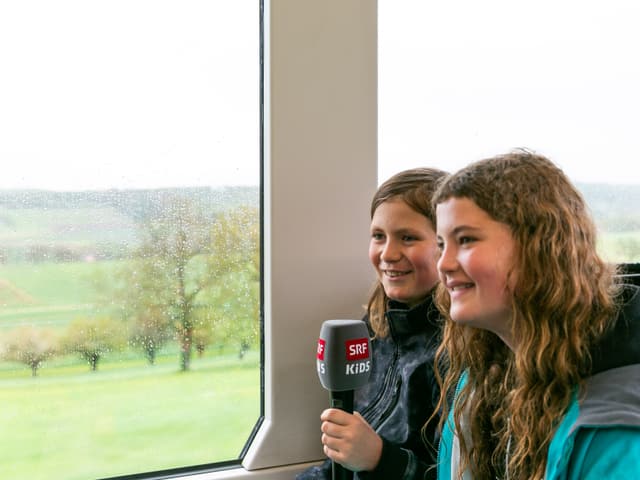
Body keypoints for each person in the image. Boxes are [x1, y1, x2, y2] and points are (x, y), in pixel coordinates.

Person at [431, 150, 640, 480]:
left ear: (537, 246)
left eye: (466, 240)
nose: (443, 263)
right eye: (441, 244)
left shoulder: (618, 419)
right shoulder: (479, 379)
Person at [297, 167, 449, 480]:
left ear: (446, 246)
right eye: (378, 236)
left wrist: (381, 458)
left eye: (408, 238)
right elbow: (343, 458)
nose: (388, 253)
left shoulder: (459, 350)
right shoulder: (373, 330)